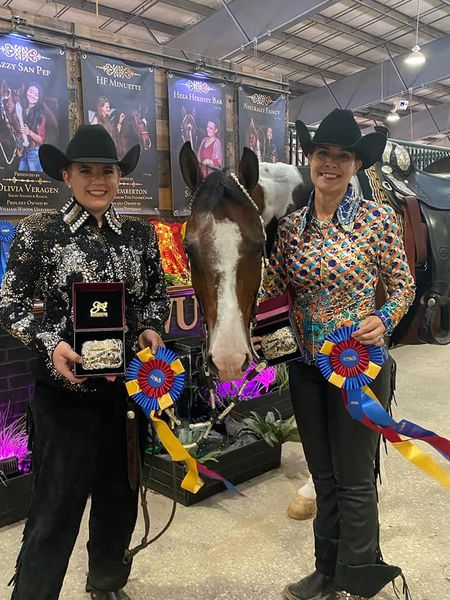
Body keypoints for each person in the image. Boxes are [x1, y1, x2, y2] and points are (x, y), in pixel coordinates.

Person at [0, 125, 169, 600]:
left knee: (120, 495)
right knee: (55, 505)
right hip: (64, 396)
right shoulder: (39, 234)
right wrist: (50, 341)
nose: (98, 180)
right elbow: (10, 304)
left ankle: (106, 582)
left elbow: (154, 298)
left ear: (119, 176)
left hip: (126, 394)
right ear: (67, 175)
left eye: (107, 171)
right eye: (87, 171)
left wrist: (152, 329)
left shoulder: (139, 235)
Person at [260, 109, 415, 600]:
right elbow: (272, 290)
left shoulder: (377, 219)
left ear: (356, 164)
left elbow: (403, 286)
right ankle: (326, 573)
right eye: (323, 154)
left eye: (342, 156)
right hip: (306, 369)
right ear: (310, 158)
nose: (330, 164)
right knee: (323, 477)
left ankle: (357, 576)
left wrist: (383, 319)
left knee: (354, 479)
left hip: (358, 369)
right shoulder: (289, 230)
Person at [17, 82, 46, 172]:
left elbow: (41, 140)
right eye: (31, 91)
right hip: (24, 152)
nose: (32, 95)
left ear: (39, 98)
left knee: (37, 182)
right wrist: (19, 148)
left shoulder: (41, 116)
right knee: (21, 182)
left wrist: (29, 132)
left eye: (36, 94)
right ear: (26, 92)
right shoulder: (21, 109)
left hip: (34, 153)